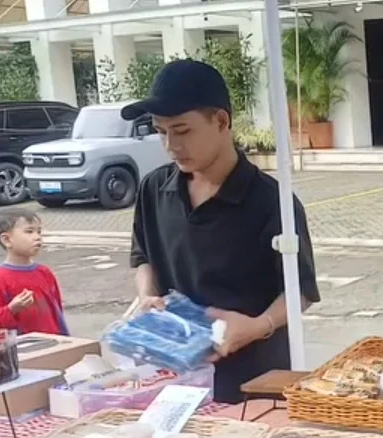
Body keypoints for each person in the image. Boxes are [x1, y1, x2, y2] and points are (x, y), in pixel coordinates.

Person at [126, 59, 321, 404]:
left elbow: (300, 290)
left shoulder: (271, 201)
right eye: (161, 131)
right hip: (175, 372)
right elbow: (143, 254)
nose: (171, 145)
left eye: (182, 131)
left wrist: (258, 326)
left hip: (254, 381)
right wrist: (147, 296)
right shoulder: (154, 189)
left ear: (221, 121)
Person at [0, 208, 68, 335]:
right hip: (23, 350)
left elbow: (57, 313)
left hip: (54, 345)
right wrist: (11, 309)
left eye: (39, 232)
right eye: (29, 231)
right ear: (7, 240)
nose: (37, 237)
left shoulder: (45, 273)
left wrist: (66, 339)